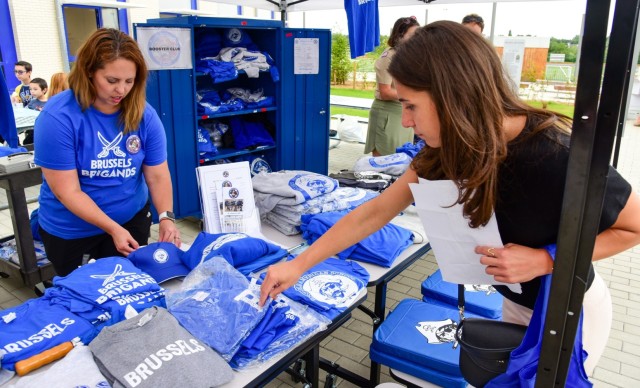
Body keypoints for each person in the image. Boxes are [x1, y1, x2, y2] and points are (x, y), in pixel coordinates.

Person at [260, 21, 640, 376]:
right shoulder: (449, 150)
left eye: (411, 105)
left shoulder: (557, 155)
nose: (405, 121)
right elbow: (375, 211)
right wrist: (298, 265)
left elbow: (633, 227)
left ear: (452, 96)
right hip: (515, 303)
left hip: (568, 313)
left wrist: (545, 259)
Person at [33, 28, 181, 277]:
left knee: (128, 290)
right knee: (83, 297)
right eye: (112, 81)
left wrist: (166, 217)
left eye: (129, 81)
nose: (121, 90)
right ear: (89, 72)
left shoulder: (144, 115)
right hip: (72, 231)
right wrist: (112, 227)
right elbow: (68, 191)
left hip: (130, 219)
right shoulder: (58, 117)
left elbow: (157, 174)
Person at [364, 16, 419, 157]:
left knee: (403, 159)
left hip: (403, 113)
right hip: (388, 115)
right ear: (399, 36)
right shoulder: (388, 57)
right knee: (385, 161)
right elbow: (385, 92)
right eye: (412, 35)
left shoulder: (407, 56)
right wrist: (414, 96)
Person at [23, 77, 48, 145]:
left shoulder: (50, 102)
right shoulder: (32, 102)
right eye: (30, 89)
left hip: (45, 128)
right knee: (26, 142)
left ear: (44, 90)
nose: (32, 91)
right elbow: (25, 112)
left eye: (35, 89)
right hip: (33, 128)